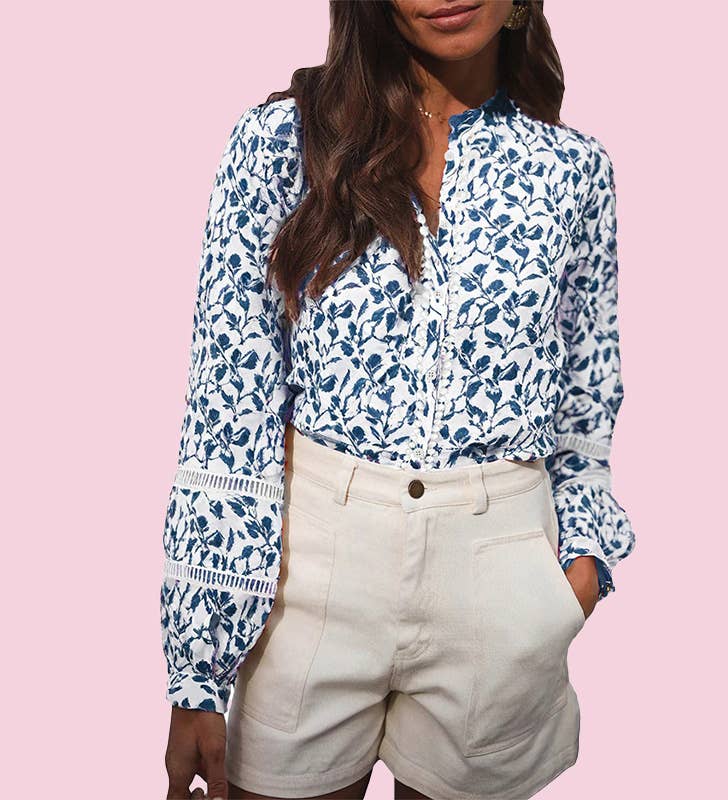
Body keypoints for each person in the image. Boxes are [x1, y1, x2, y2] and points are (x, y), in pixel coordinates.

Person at [161, 1, 637, 798]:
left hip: (499, 575)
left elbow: (587, 390)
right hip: (310, 573)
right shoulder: (284, 143)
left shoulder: (573, 169)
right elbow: (227, 404)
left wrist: (579, 565)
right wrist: (198, 671)